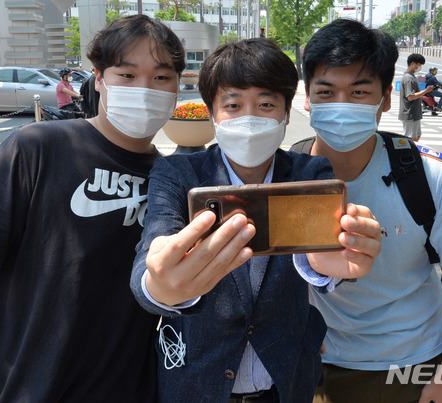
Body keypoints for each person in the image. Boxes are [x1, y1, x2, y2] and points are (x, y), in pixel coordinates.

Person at [0, 15, 185, 402]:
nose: (145, 89)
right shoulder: (36, 149)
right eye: (127, 75)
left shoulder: (173, 182)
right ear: (99, 79)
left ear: (177, 88)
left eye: (161, 78)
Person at [130, 38, 382, 402]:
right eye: (232, 105)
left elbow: (326, 264)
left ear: (285, 112)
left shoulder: (310, 173)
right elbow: (151, 255)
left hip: (286, 380)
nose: (249, 117)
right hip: (196, 380)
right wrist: (162, 287)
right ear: (213, 113)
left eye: (265, 104)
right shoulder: (177, 172)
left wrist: (331, 265)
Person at [295, 18, 442, 403]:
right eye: (326, 91)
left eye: (358, 92)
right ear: (307, 97)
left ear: (386, 98)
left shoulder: (431, 175)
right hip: (306, 360)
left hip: (404, 366)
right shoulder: (284, 176)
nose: (341, 106)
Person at [398, 53, 436, 141]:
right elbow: (410, 97)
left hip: (414, 113)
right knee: (411, 139)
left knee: (416, 136)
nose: (420, 67)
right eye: (419, 65)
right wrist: (426, 90)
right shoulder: (408, 78)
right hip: (410, 113)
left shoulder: (412, 76)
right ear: (413, 64)